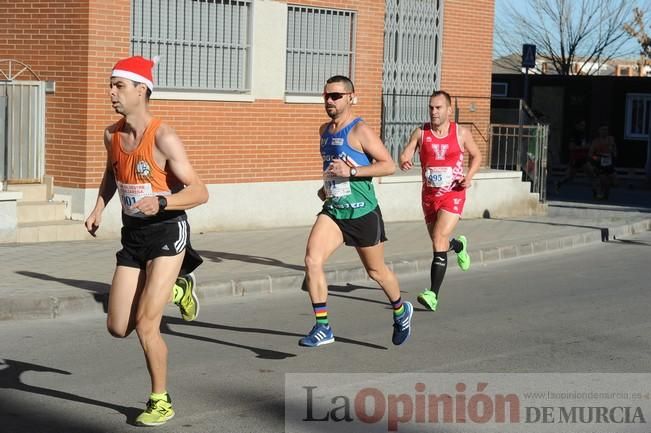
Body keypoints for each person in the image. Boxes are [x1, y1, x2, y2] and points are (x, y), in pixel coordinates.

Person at [84, 56, 209, 426]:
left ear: (142, 90)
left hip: (168, 232)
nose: (111, 93)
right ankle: (178, 288)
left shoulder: (163, 136)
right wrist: (98, 208)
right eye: (110, 85)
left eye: (119, 86)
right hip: (133, 235)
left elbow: (200, 192)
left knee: (146, 324)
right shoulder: (112, 135)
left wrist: (164, 200)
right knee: (118, 326)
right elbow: (112, 174)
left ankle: (161, 400)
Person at [299, 75, 413, 348]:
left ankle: (400, 310)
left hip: (363, 213)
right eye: (326, 95)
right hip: (335, 211)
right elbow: (333, 168)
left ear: (351, 97)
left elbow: (387, 165)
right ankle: (323, 327)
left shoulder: (359, 130)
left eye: (336, 96)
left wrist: (351, 172)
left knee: (376, 272)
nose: (329, 101)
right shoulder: (323, 131)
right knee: (312, 260)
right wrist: (326, 188)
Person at [399, 90, 482, 312]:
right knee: (441, 243)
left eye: (438, 108)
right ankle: (459, 245)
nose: (434, 112)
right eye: (431, 108)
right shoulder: (421, 132)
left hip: (453, 193)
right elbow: (405, 153)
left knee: (438, 237)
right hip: (429, 196)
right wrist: (404, 159)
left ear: (448, 109)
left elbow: (477, 155)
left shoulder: (461, 133)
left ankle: (433, 294)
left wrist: (469, 176)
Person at [555, 120, 589, 192]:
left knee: (591, 172)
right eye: (581, 125)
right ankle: (559, 183)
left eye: (584, 125)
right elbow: (571, 147)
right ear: (577, 125)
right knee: (570, 176)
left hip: (583, 157)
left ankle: (596, 190)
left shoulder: (583, 134)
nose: (583, 127)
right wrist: (583, 147)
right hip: (575, 158)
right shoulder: (573, 134)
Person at [587, 125, 617, 200]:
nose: (605, 131)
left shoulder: (611, 139)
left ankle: (605, 194)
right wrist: (597, 158)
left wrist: (614, 153)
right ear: (599, 131)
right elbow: (590, 154)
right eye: (603, 130)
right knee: (603, 179)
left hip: (609, 161)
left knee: (613, 180)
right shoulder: (595, 141)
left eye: (606, 130)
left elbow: (614, 148)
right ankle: (600, 193)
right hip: (600, 162)